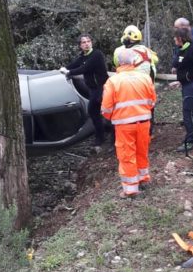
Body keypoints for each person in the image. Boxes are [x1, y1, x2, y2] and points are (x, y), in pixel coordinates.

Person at [101, 47, 156, 197]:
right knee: (141, 151)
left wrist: (114, 118)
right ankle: (143, 178)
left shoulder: (113, 81)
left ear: (118, 63)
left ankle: (131, 189)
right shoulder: (145, 78)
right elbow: (152, 102)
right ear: (134, 61)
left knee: (126, 155)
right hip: (144, 122)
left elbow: (106, 109)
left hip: (124, 125)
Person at [61, 34, 109, 146]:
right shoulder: (83, 56)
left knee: (106, 111)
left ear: (91, 42)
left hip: (103, 87)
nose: (87, 44)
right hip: (93, 89)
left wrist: (69, 72)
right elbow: (74, 64)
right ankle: (101, 136)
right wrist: (63, 69)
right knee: (93, 112)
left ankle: (109, 134)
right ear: (80, 45)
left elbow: (85, 68)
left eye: (88, 41)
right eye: (83, 42)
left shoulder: (96, 54)